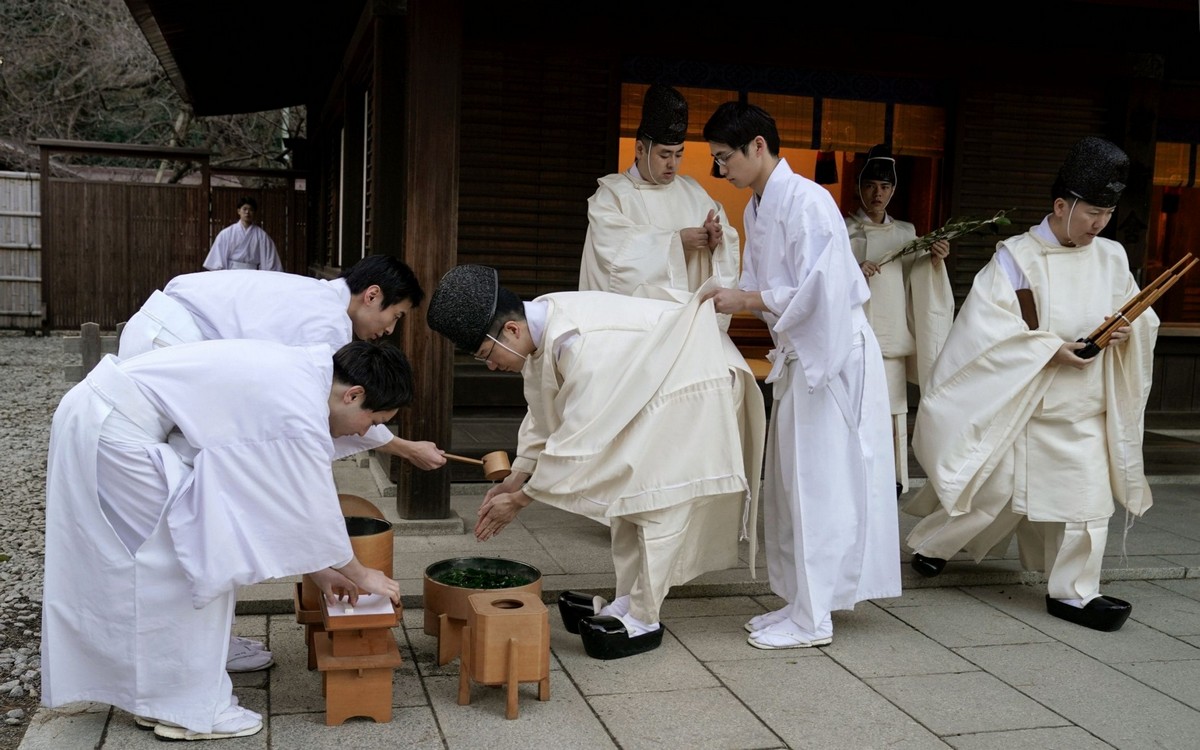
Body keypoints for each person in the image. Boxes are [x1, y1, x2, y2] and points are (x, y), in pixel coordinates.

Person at [41, 339, 409, 740]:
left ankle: (162, 699)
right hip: (116, 430)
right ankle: (189, 709)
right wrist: (359, 573)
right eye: (372, 422)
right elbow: (309, 507)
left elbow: (268, 498)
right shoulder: (301, 408)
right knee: (192, 560)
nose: (367, 432)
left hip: (106, 417)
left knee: (171, 565)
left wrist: (321, 571)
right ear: (353, 394)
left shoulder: (307, 374)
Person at [118, 254, 443, 672]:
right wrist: (352, 569)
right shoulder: (326, 328)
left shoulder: (321, 305)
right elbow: (321, 441)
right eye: (395, 316)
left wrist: (404, 447)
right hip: (165, 354)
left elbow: (346, 417)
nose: (390, 330)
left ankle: (209, 643)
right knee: (201, 517)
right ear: (372, 295)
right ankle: (189, 653)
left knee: (219, 509)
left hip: (168, 348)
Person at [425, 264, 765, 660]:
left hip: (690, 384)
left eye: (488, 354)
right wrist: (516, 478)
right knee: (626, 502)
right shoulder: (541, 323)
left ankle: (645, 618)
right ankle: (628, 599)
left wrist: (521, 500)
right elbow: (543, 410)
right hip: (651, 389)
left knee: (656, 500)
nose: (491, 365)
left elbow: (579, 436)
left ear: (511, 330)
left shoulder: (580, 342)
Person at [903, 136, 1158, 632]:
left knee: (1088, 505)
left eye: (1107, 213)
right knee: (990, 496)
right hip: (1028, 398)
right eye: (1091, 213)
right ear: (1061, 205)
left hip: (1084, 404)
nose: (1099, 224)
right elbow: (985, 330)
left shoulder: (1111, 256)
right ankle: (932, 545)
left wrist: (1128, 332)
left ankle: (1074, 594)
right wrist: (1048, 349)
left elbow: (1138, 313)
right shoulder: (1015, 257)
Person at [700, 101, 900, 650]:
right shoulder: (760, 207)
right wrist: (727, 291)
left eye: (724, 159)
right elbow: (758, 286)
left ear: (757, 147)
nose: (721, 170)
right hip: (799, 354)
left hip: (831, 357)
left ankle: (815, 617)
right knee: (791, 483)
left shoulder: (808, 201)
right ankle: (799, 601)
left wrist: (745, 297)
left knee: (821, 483)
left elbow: (823, 290)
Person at [579, 84, 740, 328]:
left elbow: (723, 247)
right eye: (664, 155)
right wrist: (675, 243)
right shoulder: (612, 197)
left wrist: (715, 241)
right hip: (635, 328)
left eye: (678, 154)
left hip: (684, 327)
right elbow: (613, 260)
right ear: (641, 149)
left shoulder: (694, 193)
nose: (672, 164)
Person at [846, 144, 954, 497]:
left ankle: (890, 479)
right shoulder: (842, 230)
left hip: (891, 336)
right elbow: (824, 276)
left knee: (891, 411)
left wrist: (935, 260)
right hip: (854, 337)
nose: (878, 194)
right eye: (872, 185)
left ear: (893, 191)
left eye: (885, 187)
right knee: (854, 409)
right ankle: (851, 474)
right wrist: (853, 272)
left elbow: (917, 280)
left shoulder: (906, 233)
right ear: (859, 186)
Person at [203, 196, 284, 271]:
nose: (247, 212)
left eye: (251, 210)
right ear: (239, 211)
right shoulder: (227, 234)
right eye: (244, 209)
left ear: (254, 212)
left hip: (254, 274)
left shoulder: (262, 236)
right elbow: (217, 259)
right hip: (232, 272)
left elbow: (269, 261)